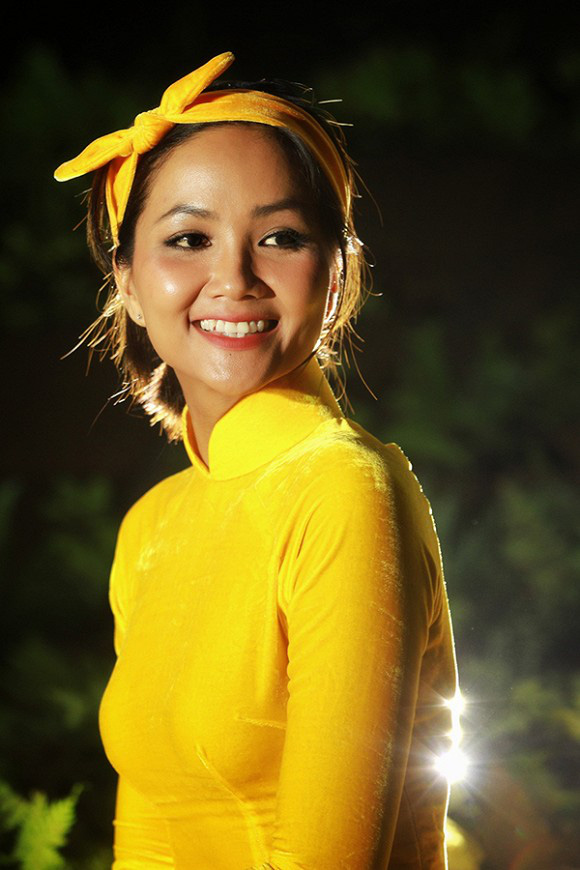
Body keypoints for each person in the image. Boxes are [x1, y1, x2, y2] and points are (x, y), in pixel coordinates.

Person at [55, 51, 458, 869]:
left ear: (336, 275)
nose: (233, 278)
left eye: (280, 237)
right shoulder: (151, 528)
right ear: (127, 281)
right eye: (189, 239)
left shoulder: (342, 490)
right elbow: (150, 839)